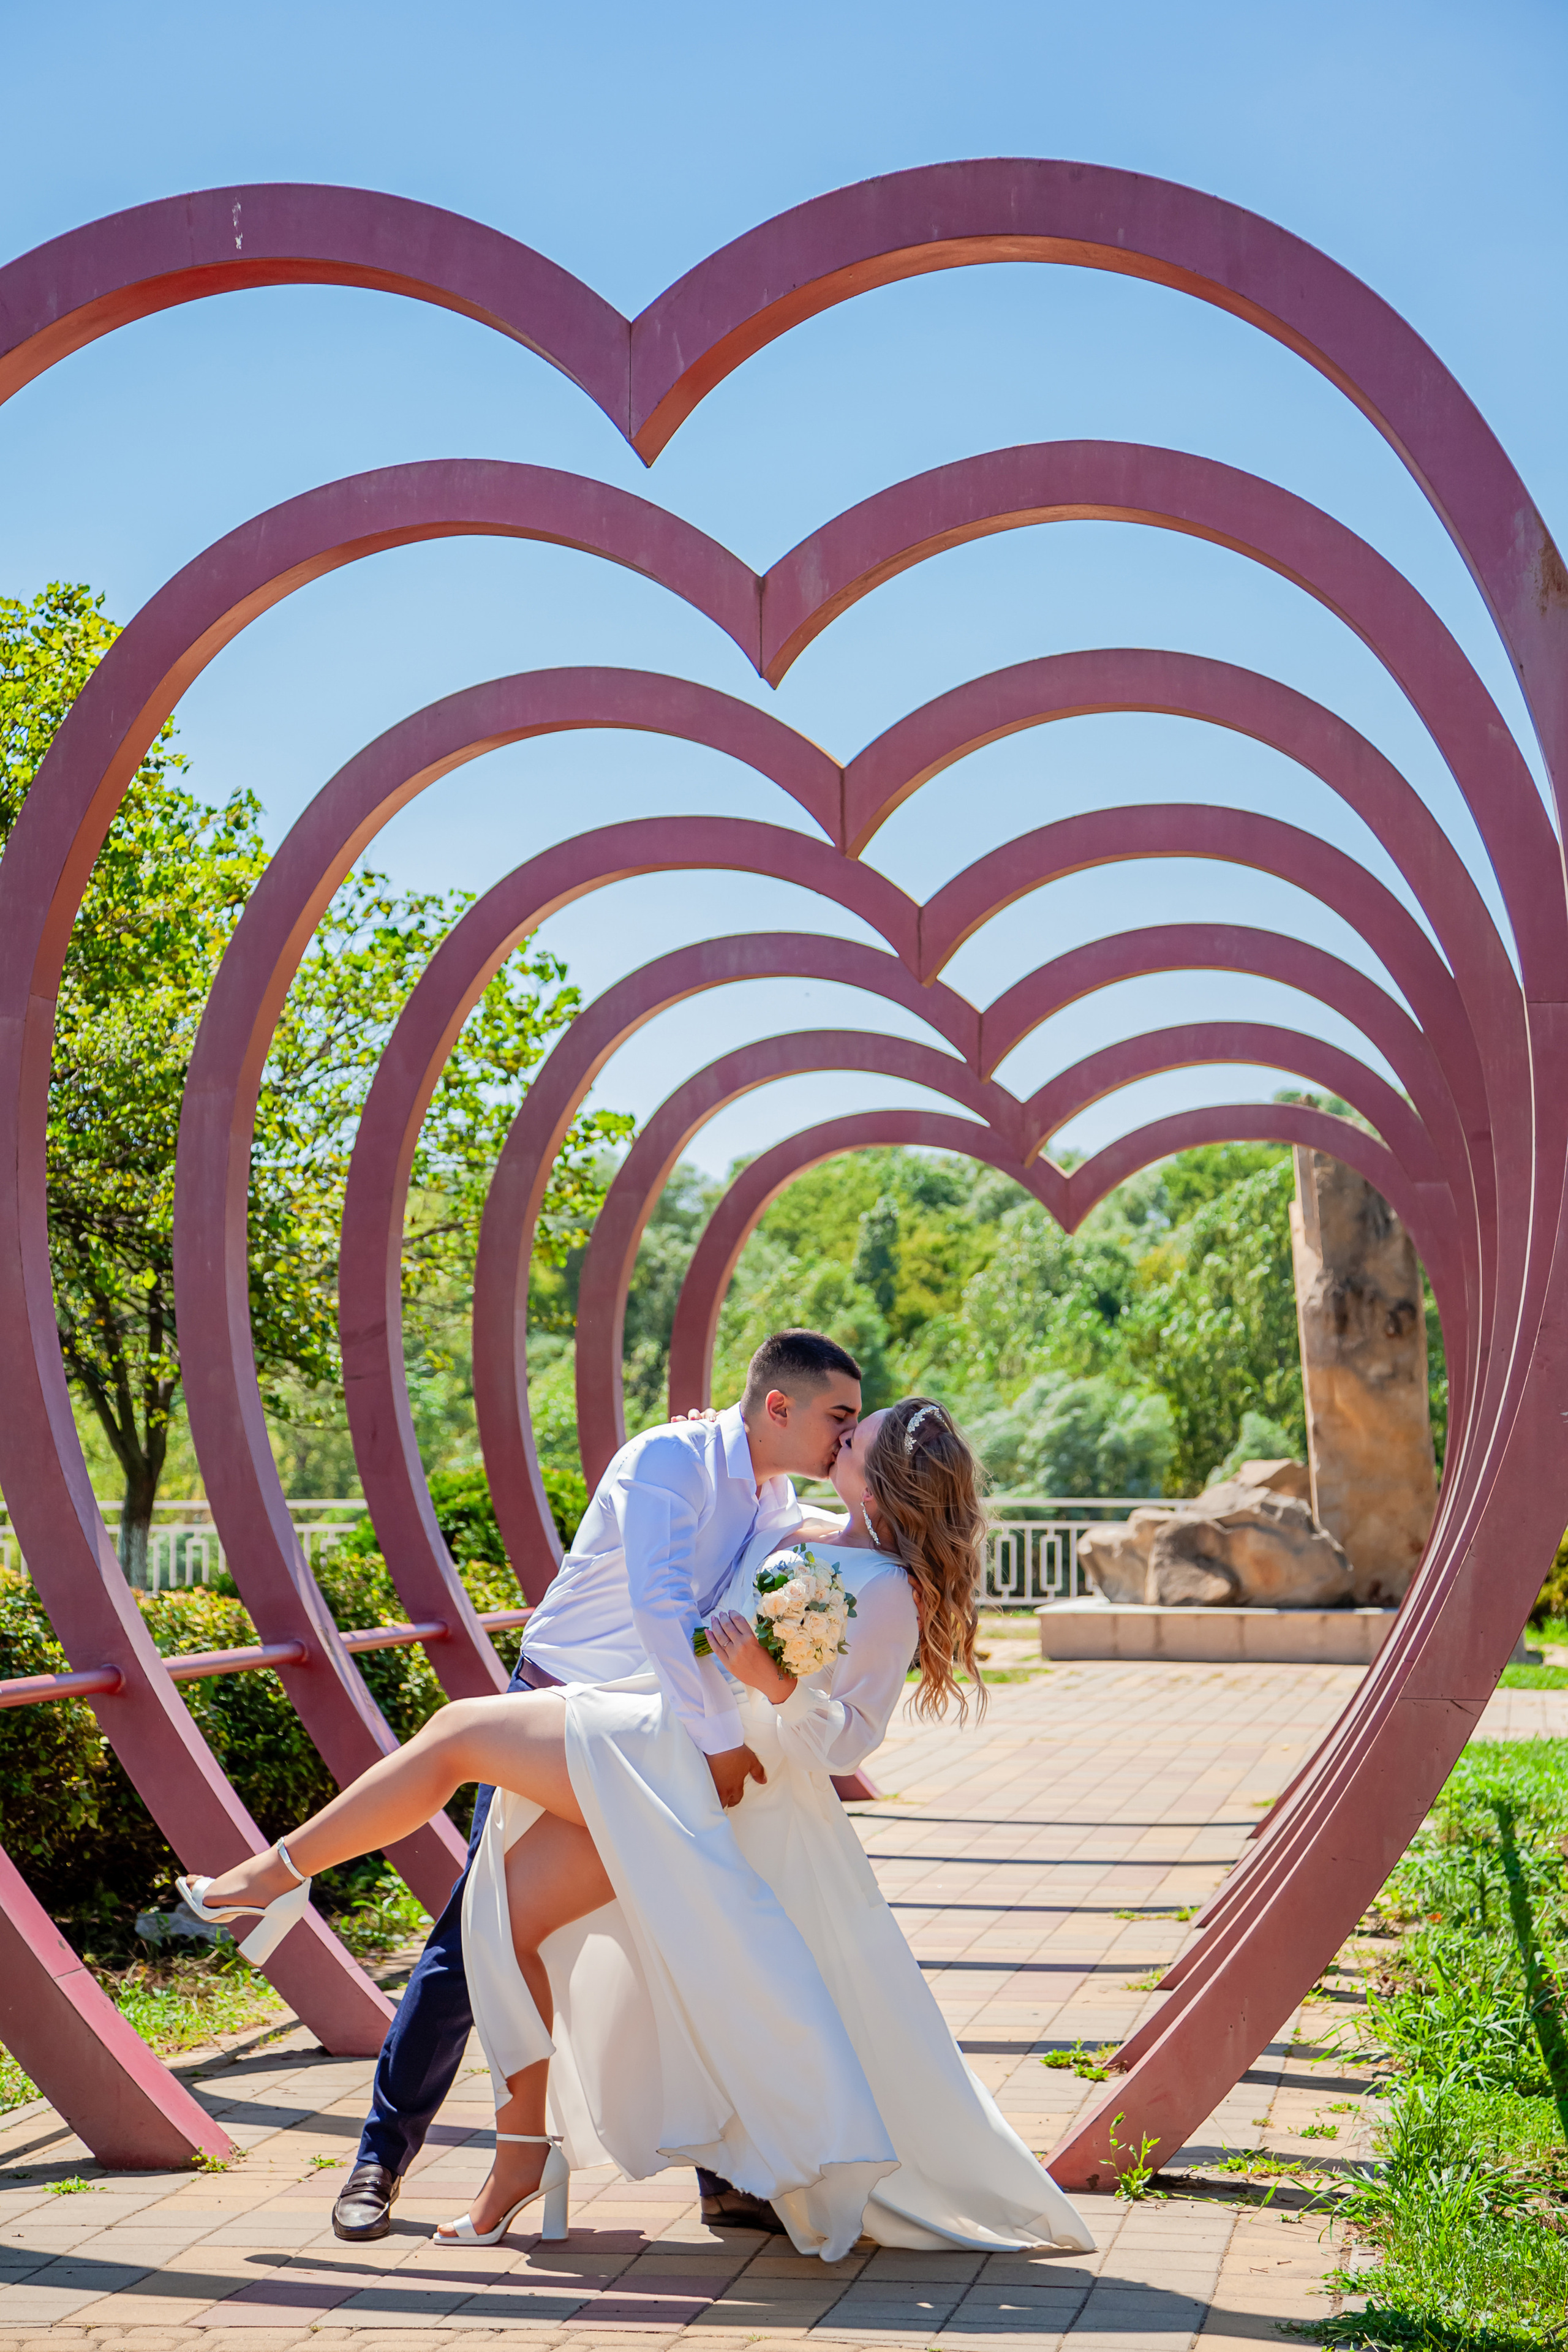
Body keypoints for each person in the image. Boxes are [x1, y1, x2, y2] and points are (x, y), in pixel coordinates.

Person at [181, 1390, 1092, 2263]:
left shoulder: (889, 1590)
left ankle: (274, 1875)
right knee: (504, 1926)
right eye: (840, 1424)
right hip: (662, 1738)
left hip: (682, 1758)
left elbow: (851, 1734)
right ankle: (517, 2162)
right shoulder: (799, 1528)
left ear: (884, 1475)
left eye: (858, 1437)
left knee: (458, 1735)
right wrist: (714, 1439)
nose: (841, 1440)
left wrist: (774, 1686)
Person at [296, 1328, 860, 2242]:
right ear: (778, 1407)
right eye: (840, 1415)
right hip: (555, 1717)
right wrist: (720, 1745)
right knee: (473, 1937)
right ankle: (380, 2159)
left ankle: (727, 2174)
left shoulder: (774, 1491)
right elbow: (660, 1604)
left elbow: (762, 1592)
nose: (849, 1432)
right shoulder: (669, 1459)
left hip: (647, 1730)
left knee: (696, 1924)